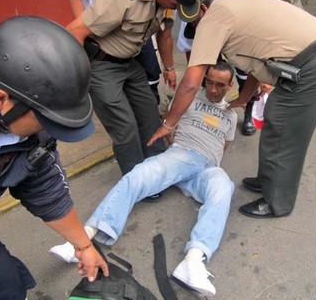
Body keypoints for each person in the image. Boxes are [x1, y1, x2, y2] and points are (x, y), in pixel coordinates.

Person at [0, 16, 109, 299]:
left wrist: (84, 247)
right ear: (0, 100)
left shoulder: (29, 134)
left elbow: (47, 190)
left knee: (5, 290)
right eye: (45, 119)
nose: (48, 130)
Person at [148, 0, 316, 219]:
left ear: (203, 10)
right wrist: (243, 99)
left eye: (195, 23)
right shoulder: (232, 11)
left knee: (284, 131)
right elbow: (255, 66)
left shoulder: (214, 18)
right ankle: (268, 181)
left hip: (315, 64)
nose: (198, 29)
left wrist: (169, 123)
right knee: (276, 123)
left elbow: (192, 82)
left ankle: (277, 203)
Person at [49, 62, 237, 297]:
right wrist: (176, 148)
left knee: (224, 186)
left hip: (208, 167)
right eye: (209, 81)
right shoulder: (189, 96)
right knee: (140, 174)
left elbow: (224, 146)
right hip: (183, 155)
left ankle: (194, 260)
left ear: (230, 85)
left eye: (220, 85)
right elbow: (170, 124)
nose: (213, 88)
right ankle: (84, 236)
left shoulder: (232, 114)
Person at [66, 0, 207, 178]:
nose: (175, 9)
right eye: (175, 5)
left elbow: (164, 32)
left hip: (131, 61)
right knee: (125, 128)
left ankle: (159, 171)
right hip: (101, 63)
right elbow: (75, 32)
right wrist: (79, 83)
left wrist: (169, 68)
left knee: (151, 118)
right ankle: (137, 180)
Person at [66, 0, 166, 104]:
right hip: (107, 34)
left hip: (139, 27)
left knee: (150, 81)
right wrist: (85, 34)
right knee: (114, 94)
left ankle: (148, 125)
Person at [176, 0, 258, 136]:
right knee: (210, 75)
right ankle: (213, 114)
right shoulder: (188, 19)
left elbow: (255, 63)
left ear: (205, 11)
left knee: (245, 74)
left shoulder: (238, 8)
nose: (195, 26)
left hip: (238, 31)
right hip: (214, 28)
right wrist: (200, 78)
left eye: (198, 23)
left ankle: (248, 113)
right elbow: (191, 55)